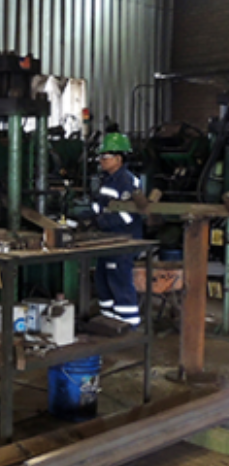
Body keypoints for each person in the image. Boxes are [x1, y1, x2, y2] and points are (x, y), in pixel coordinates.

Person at [91, 131, 143, 328]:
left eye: (105, 157)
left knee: (119, 281)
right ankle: (109, 322)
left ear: (119, 159)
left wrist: (102, 222)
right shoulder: (108, 179)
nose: (101, 161)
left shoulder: (127, 181)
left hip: (124, 241)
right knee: (102, 280)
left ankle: (128, 324)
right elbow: (101, 206)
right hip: (108, 239)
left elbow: (129, 215)